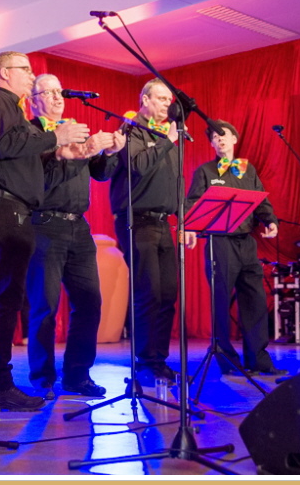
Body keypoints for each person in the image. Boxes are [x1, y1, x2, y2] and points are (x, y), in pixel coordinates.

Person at [0, 52, 91, 412]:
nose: (31, 76)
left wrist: (58, 154)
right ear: (4, 72)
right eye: (26, 70)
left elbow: (15, 155)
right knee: (2, 302)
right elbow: (8, 145)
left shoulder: (3, 107)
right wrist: (56, 136)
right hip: (2, 210)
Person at [26, 74, 124, 399]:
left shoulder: (75, 127)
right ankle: (42, 379)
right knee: (45, 306)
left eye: (59, 91)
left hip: (79, 227)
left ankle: (77, 376)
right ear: (33, 101)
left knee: (90, 302)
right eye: (48, 92)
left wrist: (109, 153)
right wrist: (68, 153)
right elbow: (38, 182)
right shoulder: (32, 135)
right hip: (44, 224)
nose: (57, 97)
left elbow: (100, 174)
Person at [184, 120, 285, 377]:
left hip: (247, 242)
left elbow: (261, 200)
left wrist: (271, 221)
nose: (219, 139)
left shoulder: (247, 169)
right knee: (220, 301)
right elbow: (192, 203)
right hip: (219, 242)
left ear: (234, 139)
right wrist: (190, 227)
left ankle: (258, 360)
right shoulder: (205, 171)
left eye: (223, 135)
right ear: (211, 144)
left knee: (255, 300)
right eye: (214, 137)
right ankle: (227, 361)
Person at [109, 78, 182, 385]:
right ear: (145, 100)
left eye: (169, 100)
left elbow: (175, 181)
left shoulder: (168, 135)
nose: (167, 104)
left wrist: (183, 219)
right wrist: (167, 141)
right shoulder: (131, 129)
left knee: (168, 294)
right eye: (161, 98)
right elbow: (138, 165)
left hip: (164, 223)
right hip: (136, 221)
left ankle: (158, 359)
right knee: (148, 292)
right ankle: (143, 361)